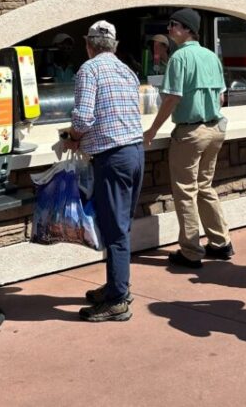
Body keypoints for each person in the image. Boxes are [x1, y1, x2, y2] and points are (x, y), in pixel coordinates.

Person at [66, 20, 145, 322]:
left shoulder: (89, 70)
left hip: (113, 157)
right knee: (121, 226)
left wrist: (73, 137)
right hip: (135, 152)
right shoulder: (127, 70)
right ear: (114, 45)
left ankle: (117, 300)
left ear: (89, 45)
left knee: (114, 229)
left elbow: (84, 117)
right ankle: (117, 285)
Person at [144, 8, 233, 268]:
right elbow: (221, 98)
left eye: (174, 25)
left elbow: (172, 97)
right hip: (215, 129)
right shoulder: (211, 57)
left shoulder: (179, 58)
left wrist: (152, 130)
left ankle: (191, 252)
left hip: (191, 132)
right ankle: (220, 243)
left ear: (187, 29)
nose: (170, 29)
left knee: (185, 191)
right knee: (205, 186)